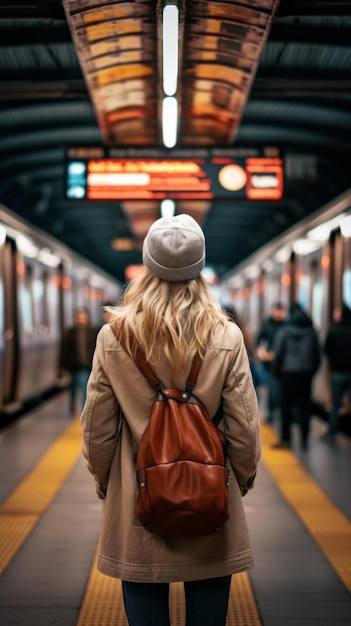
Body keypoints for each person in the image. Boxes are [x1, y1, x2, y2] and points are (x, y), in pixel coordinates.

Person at [80, 214, 261, 626]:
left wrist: (107, 481)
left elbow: (98, 428)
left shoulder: (115, 336)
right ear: (200, 268)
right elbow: (244, 426)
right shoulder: (225, 336)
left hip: (137, 497)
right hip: (211, 496)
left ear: (147, 266)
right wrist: (242, 478)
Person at [271, 303, 321, 450]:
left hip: (288, 374)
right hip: (305, 374)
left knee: (285, 406)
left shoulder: (284, 330)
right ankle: (304, 439)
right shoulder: (312, 332)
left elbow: (278, 353)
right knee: (305, 406)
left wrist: (277, 372)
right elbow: (317, 356)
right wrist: (311, 372)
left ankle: (286, 439)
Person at [60, 307, 98, 415]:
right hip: (73, 365)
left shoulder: (92, 332)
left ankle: (83, 410)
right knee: (72, 386)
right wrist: (63, 365)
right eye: (79, 318)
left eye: (83, 318)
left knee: (84, 387)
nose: (81, 320)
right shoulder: (71, 332)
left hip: (86, 366)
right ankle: (72, 402)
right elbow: (65, 350)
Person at [324, 303, 351, 438]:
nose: (334, 314)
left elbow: (327, 350)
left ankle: (332, 432)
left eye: (336, 311)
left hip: (338, 372)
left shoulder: (334, 330)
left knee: (335, 404)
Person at [255, 302, 286, 422]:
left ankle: (279, 413)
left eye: (280, 311)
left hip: (283, 363)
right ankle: (272, 413)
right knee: (272, 390)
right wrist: (261, 351)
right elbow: (259, 340)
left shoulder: (285, 325)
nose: (278, 313)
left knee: (281, 390)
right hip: (269, 364)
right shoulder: (267, 325)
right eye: (276, 310)